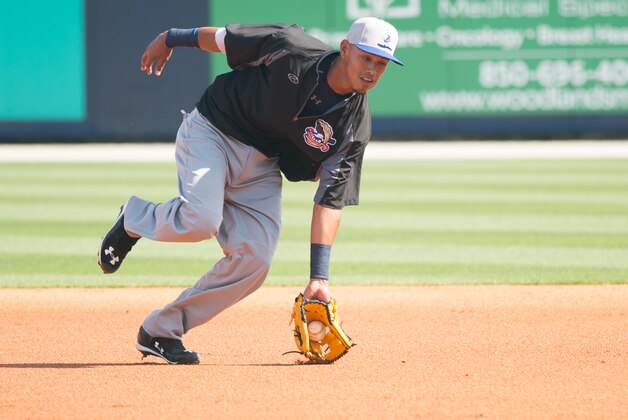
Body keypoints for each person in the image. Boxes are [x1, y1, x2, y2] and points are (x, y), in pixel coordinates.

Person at [98, 17, 403, 365]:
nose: (372, 70)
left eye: (381, 64)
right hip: (213, 130)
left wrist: (319, 277)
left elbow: (330, 201)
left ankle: (161, 330)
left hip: (262, 166)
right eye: (366, 58)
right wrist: (170, 38)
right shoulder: (290, 47)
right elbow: (225, 40)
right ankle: (134, 218)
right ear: (346, 49)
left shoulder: (354, 127)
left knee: (255, 262)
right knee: (200, 219)